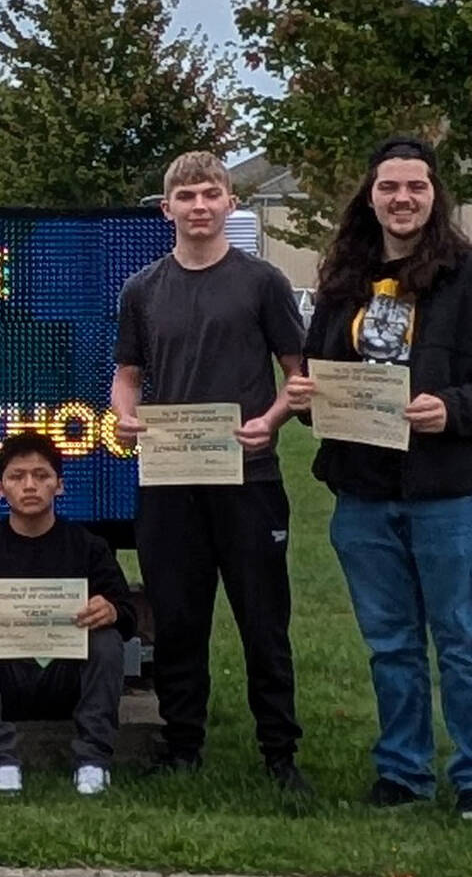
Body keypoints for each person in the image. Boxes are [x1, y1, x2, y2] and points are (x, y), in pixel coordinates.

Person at [285, 136, 472, 820]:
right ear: (369, 195)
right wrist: (309, 402)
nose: (401, 199)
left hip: (447, 490)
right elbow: (316, 378)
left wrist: (453, 408)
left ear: (434, 195)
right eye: (389, 187)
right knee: (389, 642)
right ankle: (401, 770)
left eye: (415, 187)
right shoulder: (342, 279)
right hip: (362, 492)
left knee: (461, 637)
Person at [109, 151, 310, 792]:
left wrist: (273, 419)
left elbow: (296, 374)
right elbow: (126, 377)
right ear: (166, 208)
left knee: (262, 620)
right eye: (187, 196)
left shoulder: (263, 282)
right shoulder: (142, 289)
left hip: (249, 478)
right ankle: (182, 742)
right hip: (170, 479)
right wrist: (124, 416)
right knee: (176, 619)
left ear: (230, 204)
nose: (199, 206)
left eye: (211, 194)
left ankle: (280, 753)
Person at [0, 431, 135, 796]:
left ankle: (93, 760)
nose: (29, 486)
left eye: (41, 476)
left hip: (65, 677)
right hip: (3, 680)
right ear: (0, 489)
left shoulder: (89, 547)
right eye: (17, 476)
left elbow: (129, 614)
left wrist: (112, 610)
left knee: (106, 639)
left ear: (59, 486)